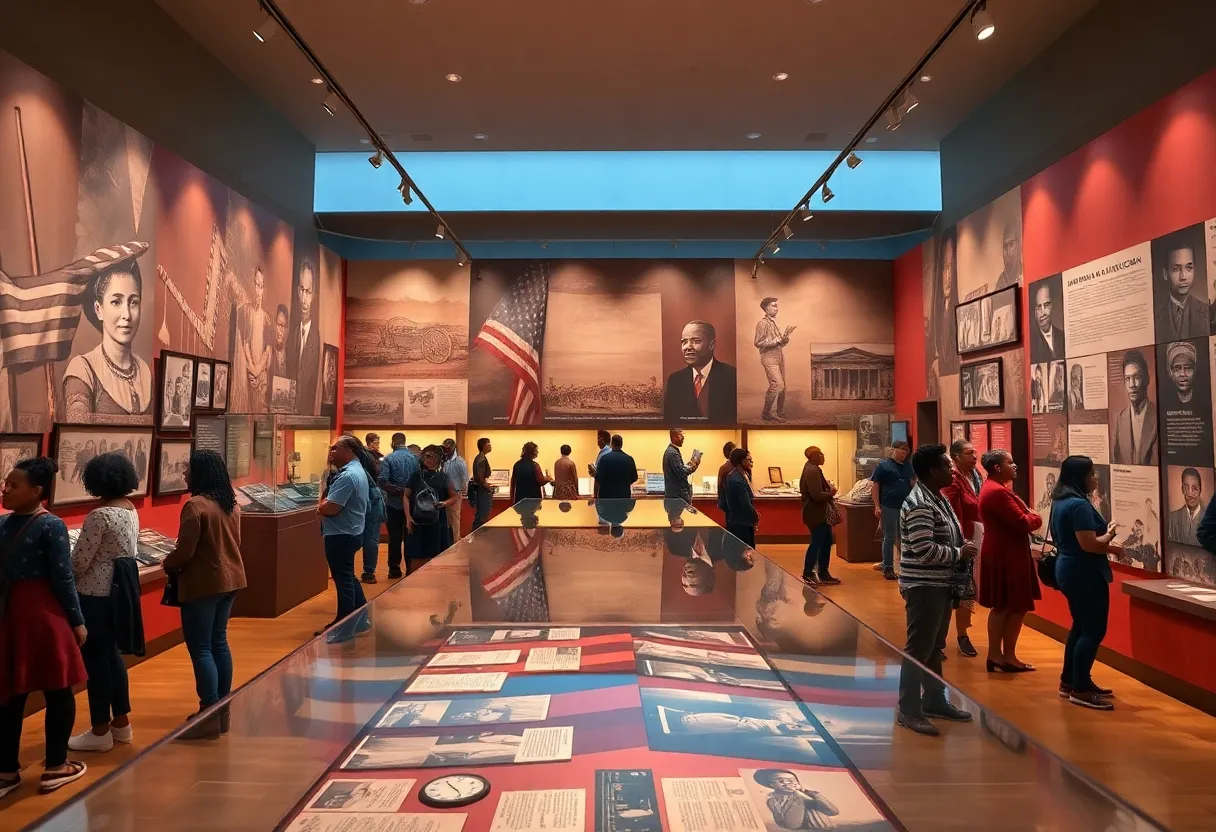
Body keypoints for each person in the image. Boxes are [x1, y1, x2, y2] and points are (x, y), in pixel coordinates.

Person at [0, 458, 89, 796]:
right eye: (6, 483)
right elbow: (62, 578)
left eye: (13, 485)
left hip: (12, 614)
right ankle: (55, 765)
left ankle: (6, 770)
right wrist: (77, 620)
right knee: (58, 690)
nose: (6, 489)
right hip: (43, 614)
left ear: (36, 490)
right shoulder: (51, 526)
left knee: (10, 692)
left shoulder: (4, 525)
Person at [162, 450, 246, 740]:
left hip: (204, 583)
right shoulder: (231, 504)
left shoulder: (195, 505)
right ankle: (221, 711)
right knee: (219, 642)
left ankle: (208, 711)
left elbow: (185, 551)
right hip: (231, 579)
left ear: (200, 474)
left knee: (200, 648)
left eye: (188, 469)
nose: (184, 474)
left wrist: (167, 563)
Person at [895, 444, 977, 736]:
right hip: (925, 585)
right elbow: (923, 548)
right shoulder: (920, 503)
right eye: (946, 466)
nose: (952, 470)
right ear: (932, 471)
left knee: (934, 647)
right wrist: (959, 553)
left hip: (939, 584)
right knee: (918, 648)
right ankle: (908, 708)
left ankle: (932, 699)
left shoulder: (936, 497)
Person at [68, 453, 144, 754]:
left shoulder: (99, 516)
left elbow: (79, 562)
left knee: (97, 665)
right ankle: (121, 724)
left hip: (94, 596)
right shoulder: (129, 509)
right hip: (118, 593)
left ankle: (100, 729)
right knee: (112, 660)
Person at [1051, 455, 1123, 710]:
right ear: (1080, 477)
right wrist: (1111, 536)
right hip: (1084, 572)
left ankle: (1070, 681)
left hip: (1070, 570)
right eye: (1092, 474)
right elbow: (1090, 544)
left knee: (1081, 627)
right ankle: (1080, 689)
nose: (1095, 478)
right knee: (1093, 631)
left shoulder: (1061, 501)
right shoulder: (1078, 505)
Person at [62, 243, 154, 422]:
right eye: (116, 302)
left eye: (133, 302)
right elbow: (77, 438)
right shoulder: (83, 369)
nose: (126, 315)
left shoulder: (145, 371)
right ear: (99, 309)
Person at [977, 449, 1042, 673]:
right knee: (1010, 605)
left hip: (1005, 550)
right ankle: (1003, 656)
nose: (1015, 466)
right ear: (997, 467)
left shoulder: (995, 489)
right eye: (1010, 462)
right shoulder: (997, 492)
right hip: (1006, 553)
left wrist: (1029, 515)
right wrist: (1036, 517)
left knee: (1007, 605)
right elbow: (1024, 522)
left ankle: (1001, 655)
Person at [317, 436, 370, 635]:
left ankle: (344, 626)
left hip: (341, 534)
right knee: (348, 576)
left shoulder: (347, 476)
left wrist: (320, 506)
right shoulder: (355, 471)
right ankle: (361, 618)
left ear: (349, 449)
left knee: (344, 580)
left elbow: (331, 508)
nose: (331, 452)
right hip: (349, 531)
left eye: (335, 448)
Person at [942, 440, 982, 658]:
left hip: (973, 541)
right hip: (958, 544)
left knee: (966, 590)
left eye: (975, 452)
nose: (975, 456)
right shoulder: (952, 481)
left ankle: (963, 634)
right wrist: (959, 541)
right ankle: (940, 637)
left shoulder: (975, 476)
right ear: (956, 457)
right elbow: (950, 514)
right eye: (969, 453)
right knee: (952, 590)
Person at [663, 320, 737, 423]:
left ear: (711, 344)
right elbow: (670, 420)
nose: (688, 347)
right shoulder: (675, 380)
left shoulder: (731, 376)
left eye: (696, 341)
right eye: (684, 342)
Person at [404, 445, 459, 561]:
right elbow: (405, 496)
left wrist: (444, 503)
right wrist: (408, 517)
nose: (427, 459)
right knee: (416, 556)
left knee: (437, 557)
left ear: (438, 458)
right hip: (417, 521)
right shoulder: (416, 476)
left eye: (430, 456)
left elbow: (454, 497)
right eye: (425, 456)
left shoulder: (443, 477)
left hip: (437, 522)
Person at [870, 440, 914, 581]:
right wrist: (877, 505)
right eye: (902, 449)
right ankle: (887, 567)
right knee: (889, 537)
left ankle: (905, 565)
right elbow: (876, 486)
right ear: (893, 449)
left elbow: (912, 483)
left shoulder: (908, 466)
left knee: (903, 537)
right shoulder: (883, 466)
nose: (904, 452)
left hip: (905, 506)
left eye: (906, 450)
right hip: (889, 505)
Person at [378, 432, 419, 578]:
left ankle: (394, 569)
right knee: (410, 538)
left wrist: (398, 491)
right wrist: (408, 493)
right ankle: (410, 568)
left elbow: (382, 480)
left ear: (393, 442)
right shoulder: (415, 459)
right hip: (412, 505)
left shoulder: (389, 458)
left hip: (394, 504)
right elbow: (419, 480)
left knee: (394, 538)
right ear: (405, 442)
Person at [799, 446, 839, 586]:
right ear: (813, 456)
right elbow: (816, 495)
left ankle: (823, 572)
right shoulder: (812, 471)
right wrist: (830, 493)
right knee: (817, 542)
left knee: (826, 541)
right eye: (820, 454)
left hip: (818, 513)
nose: (823, 456)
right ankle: (809, 572)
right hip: (815, 513)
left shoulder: (813, 468)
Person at [1155, 237, 1207, 341]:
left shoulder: (1206, 312)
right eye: (1176, 269)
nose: (1183, 277)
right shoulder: (1156, 318)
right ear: (1165, 274)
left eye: (1189, 268)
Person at [1111, 350, 1158, 465]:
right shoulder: (1120, 420)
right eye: (1127, 379)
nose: (1132, 384)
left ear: (1147, 379)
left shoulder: (1158, 416)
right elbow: (1115, 462)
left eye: (1136, 377)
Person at [754, 297, 797, 423]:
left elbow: (780, 344)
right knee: (777, 384)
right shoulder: (762, 323)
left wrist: (784, 338)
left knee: (783, 386)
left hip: (778, 355)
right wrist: (777, 340)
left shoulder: (773, 323)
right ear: (766, 309)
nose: (776, 308)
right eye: (773, 306)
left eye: (776, 306)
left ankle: (780, 412)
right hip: (768, 356)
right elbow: (758, 342)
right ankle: (766, 413)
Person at [751, 769, 838, 830]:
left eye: (792, 781)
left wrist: (806, 791)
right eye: (781, 781)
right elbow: (792, 824)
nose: (787, 783)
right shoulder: (773, 800)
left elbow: (833, 811)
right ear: (771, 784)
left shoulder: (805, 799)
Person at [287, 261, 321, 413]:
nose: (304, 298)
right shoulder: (293, 335)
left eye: (308, 291)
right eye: (302, 290)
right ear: (297, 291)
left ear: (313, 295)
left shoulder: (316, 337)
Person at [354, 439, 384, 585]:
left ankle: (350, 572)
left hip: (367, 501)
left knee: (351, 536)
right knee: (372, 539)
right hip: (375, 500)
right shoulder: (371, 457)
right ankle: (369, 572)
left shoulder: (355, 466)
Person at [723, 448, 758, 547]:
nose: (751, 461)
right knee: (745, 553)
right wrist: (755, 516)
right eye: (748, 459)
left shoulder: (740, 475)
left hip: (739, 520)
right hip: (741, 523)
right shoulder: (737, 480)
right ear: (741, 461)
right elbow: (745, 503)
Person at [1168, 467, 1206, 546]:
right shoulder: (1173, 518)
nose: (1189, 493)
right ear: (1182, 489)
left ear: (1200, 490)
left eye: (1194, 488)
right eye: (1186, 487)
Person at [442, 439, 470, 542]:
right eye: (444, 448)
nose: (446, 451)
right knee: (447, 520)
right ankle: (448, 541)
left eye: (448, 448)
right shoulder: (444, 461)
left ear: (453, 448)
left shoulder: (459, 461)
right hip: (445, 493)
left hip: (456, 493)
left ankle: (455, 541)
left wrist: (462, 491)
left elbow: (464, 478)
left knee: (455, 520)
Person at [594, 435, 638, 500]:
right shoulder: (629, 459)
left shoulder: (604, 459)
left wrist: (595, 496)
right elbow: (634, 478)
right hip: (624, 498)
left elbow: (598, 480)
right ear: (621, 444)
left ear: (612, 444)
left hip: (606, 499)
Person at [1030, 281, 1065, 363]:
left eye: (1046, 305)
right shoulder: (1032, 344)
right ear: (1035, 313)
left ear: (1052, 306)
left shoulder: (1063, 337)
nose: (1043, 312)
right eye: (1039, 307)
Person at [663, 429, 700, 503]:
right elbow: (682, 473)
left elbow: (678, 470)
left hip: (674, 496)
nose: (683, 438)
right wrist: (694, 465)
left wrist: (689, 465)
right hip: (677, 497)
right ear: (674, 437)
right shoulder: (673, 453)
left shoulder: (672, 451)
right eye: (681, 435)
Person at [471, 437, 494, 531]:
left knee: (482, 514)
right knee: (482, 515)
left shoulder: (481, 457)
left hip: (481, 489)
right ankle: (478, 537)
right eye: (489, 444)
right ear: (484, 446)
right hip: (481, 490)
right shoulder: (481, 459)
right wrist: (488, 487)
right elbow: (480, 478)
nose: (490, 446)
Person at [995, 225, 1022, 289]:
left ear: (1018, 246)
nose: (1008, 251)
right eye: (1005, 246)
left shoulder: (1024, 274)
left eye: (1011, 244)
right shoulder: (1001, 283)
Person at [716, 441, 737, 506]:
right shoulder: (737, 467)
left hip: (725, 501)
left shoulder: (722, 468)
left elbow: (719, 486)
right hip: (735, 501)